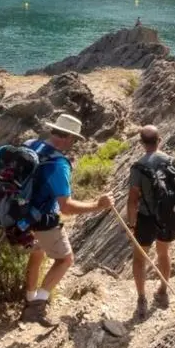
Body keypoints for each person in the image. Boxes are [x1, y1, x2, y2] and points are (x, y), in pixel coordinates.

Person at [20, 114, 114, 326]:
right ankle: (37, 307)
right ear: (67, 138)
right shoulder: (59, 164)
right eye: (73, 139)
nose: (73, 144)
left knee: (37, 253)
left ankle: (29, 299)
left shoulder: (29, 145)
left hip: (18, 216)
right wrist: (98, 205)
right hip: (42, 219)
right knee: (65, 259)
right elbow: (66, 207)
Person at [126, 125, 175, 319]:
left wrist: (131, 223)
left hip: (146, 219)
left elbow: (133, 200)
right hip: (169, 216)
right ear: (159, 140)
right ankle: (163, 290)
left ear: (141, 143)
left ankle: (142, 298)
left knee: (139, 258)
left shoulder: (138, 167)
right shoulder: (173, 161)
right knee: (164, 253)